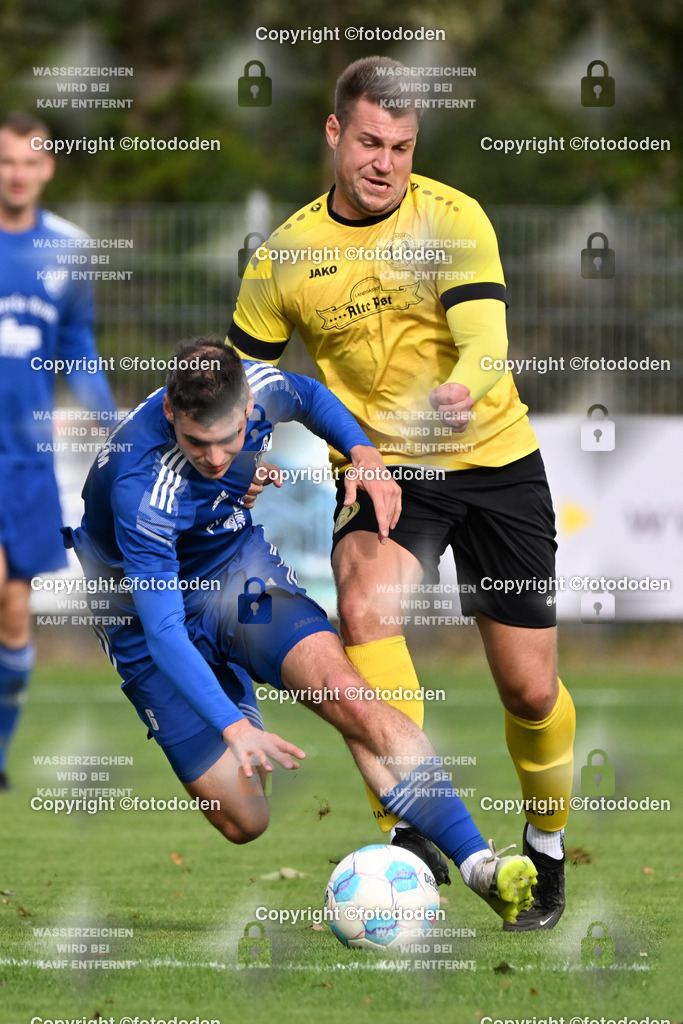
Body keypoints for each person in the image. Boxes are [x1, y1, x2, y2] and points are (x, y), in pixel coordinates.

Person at [228, 56, 575, 931]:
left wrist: (469, 383)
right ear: (335, 134)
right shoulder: (286, 256)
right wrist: (239, 453)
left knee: (531, 693)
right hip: (387, 468)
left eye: (404, 147)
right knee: (363, 604)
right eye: (372, 143)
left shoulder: (453, 217)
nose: (387, 163)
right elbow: (246, 379)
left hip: (493, 456)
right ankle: (411, 829)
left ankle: (545, 847)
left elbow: (486, 340)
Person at [63, 336, 537, 925]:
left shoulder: (261, 387)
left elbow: (311, 395)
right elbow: (162, 630)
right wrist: (235, 728)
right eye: (197, 443)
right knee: (245, 820)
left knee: (351, 699)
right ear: (169, 414)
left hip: (236, 578)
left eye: (229, 439)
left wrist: (363, 452)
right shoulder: (142, 487)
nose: (215, 457)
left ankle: (479, 866)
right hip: (141, 614)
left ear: (246, 408)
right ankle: (227, 680)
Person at [0, 113, 116, 789]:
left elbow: (79, 347)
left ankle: (1, 758)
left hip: (26, 464)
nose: (16, 173)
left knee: (15, 611)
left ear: (46, 168)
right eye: (5, 160)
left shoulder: (67, 249)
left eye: (27, 161)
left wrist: (108, 422)